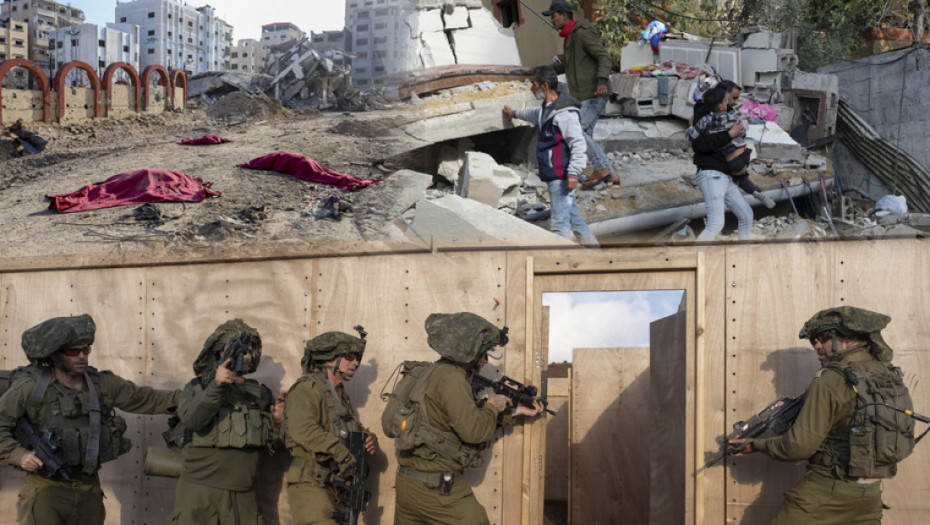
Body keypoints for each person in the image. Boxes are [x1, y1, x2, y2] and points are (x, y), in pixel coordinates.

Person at [730, 306, 915, 524]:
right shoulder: (889, 375)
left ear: (851, 337)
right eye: (813, 340)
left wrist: (756, 445)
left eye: (823, 337)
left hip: (825, 494)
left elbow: (798, 447)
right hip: (870, 496)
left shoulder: (830, 379)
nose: (817, 345)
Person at [0, 314, 180, 525]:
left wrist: (198, 395)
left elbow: (148, 399)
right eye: (72, 351)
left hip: (89, 489)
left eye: (86, 350)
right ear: (55, 355)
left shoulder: (101, 384)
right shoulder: (30, 388)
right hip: (45, 489)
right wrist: (19, 455)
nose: (82, 356)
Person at [390, 312, 545, 525]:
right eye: (483, 354)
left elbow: (445, 427)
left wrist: (514, 412)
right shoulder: (452, 378)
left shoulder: (430, 372)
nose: (484, 361)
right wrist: (491, 404)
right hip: (436, 490)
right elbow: (473, 431)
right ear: (470, 351)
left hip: (408, 484)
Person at [168, 319, 284, 525]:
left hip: (242, 494)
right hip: (200, 492)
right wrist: (217, 385)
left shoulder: (260, 395)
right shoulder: (198, 387)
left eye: (249, 351)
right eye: (238, 350)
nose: (245, 356)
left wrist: (277, 422)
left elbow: (274, 446)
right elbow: (194, 420)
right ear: (219, 353)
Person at [283, 328, 377, 525]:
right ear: (328, 359)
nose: (356, 363)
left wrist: (366, 438)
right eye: (349, 356)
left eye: (357, 358)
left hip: (337, 487)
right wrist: (339, 451)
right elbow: (303, 429)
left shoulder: (340, 396)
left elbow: (346, 429)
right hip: (311, 483)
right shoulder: (306, 389)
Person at [503, 65, 599, 247]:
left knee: (559, 225)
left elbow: (578, 144)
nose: (531, 88)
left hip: (561, 175)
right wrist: (514, 113)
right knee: (574, 220)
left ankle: (559, 265)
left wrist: (573, 173)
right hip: (557, 173)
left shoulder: (565, 113)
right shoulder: (547, 109)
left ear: (544, 86)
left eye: (534, 84)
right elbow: (533, 114)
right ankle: (599, 256)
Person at [542, 0, 618, 188]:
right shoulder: (569, 38)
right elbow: (570, 65)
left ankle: (601, 168)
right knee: (585, 136)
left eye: (554, 16)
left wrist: (601, 80)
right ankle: (609, 175)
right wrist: (547, 70)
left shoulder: (581, 33)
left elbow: (604, 56)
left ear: (564, 15)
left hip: (594, 92)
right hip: (584, 95)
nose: (551, 20)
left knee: (576, 131)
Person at [687, 86, 775, 209]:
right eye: (727, 100)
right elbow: (742, 133)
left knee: (738, 177)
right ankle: (755, 187)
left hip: (729, 159)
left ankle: (756, 191)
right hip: (737, 156)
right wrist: (732, 135)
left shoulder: (705, 120)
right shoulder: (732, 117)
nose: (732, 103)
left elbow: (691, 137)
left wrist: (691, 126)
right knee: (740, 175)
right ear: (721, 105)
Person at [689, 85, 755, 241]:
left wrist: (738, 164)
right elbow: (700, 145)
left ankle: (744, 259)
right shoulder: (703, 115)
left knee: (746, 215)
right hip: (711, 173)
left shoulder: (729, 114)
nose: (734, 102)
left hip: (725, 174)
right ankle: (692, 261)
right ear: (721, 101)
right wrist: (729, 134)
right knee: (716, 224)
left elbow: (740, 139)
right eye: (732, 98)